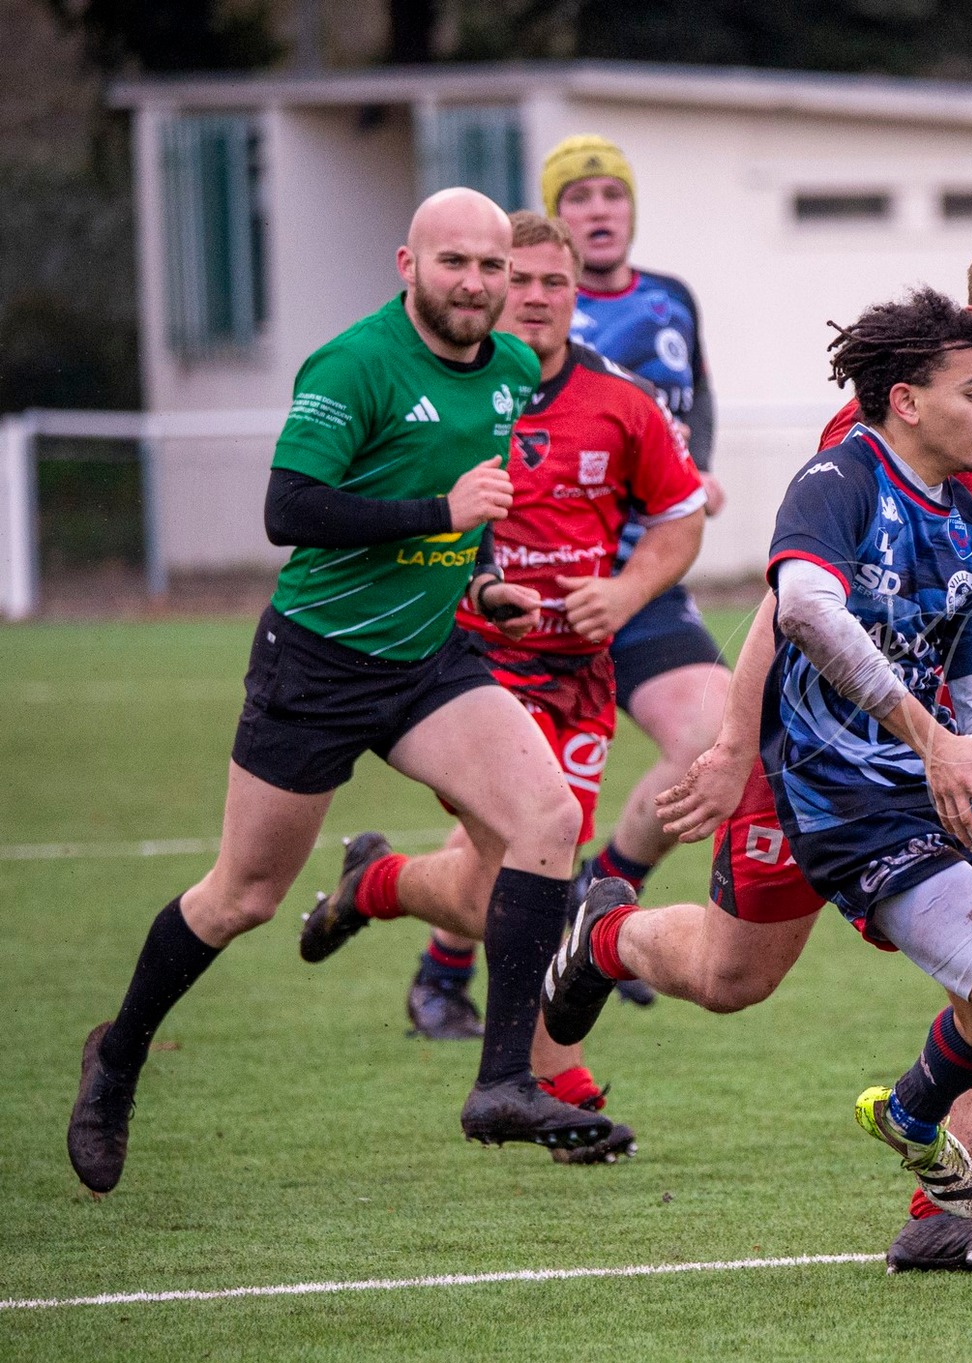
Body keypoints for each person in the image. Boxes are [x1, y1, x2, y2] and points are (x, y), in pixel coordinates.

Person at [546, 286, 972, 1304]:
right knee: (759, 978)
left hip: (922, 791)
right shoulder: (840, 480)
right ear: (907, 400)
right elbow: (806, 611)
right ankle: (606, 936)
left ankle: (960, 1156)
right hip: (822, 792)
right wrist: (899, 740)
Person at [67, 190, 616, 1196]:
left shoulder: (507, 368)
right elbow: (289, 509)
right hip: (317, 663)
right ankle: (119, 1054)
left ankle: (502, 1083)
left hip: (428, 659)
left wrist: (483, 581)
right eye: (455, 263)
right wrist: (439, 512)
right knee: (244, 896)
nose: (477, 284)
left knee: (547, 818)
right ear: (408, 265)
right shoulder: (354, 363)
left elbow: (469, 507)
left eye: (492, 267)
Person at [297, 213, 707, 1161]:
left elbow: (681, 517)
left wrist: (627, 590)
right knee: (539, 879)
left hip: (578, 676)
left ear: (575, 294)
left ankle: (378, 883)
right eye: (517, 279)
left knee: (502, 892)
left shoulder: (624, 401)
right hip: (465, 670)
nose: (534, 297)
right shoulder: (451, 390)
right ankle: (558, 1085)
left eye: (553, 283)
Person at [538, 134, 732, 939]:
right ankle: (436, 965)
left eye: (611, 194)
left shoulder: (670, 298)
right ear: (555, 218)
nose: (599, 210)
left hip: (645, 584)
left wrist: (697, 470)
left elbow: (698, 398)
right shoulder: (540, 314)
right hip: (550, 589)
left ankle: (601, 896)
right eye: (578, 197)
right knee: (525, 808)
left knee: (718, 737)